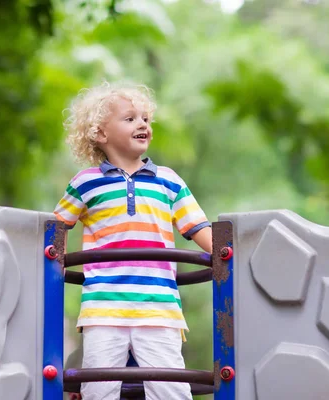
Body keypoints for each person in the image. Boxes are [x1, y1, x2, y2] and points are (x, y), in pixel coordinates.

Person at [54, 81, 212, 400]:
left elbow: (198, 228)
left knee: (170, 388)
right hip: (103, 308)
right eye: (129, 118)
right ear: (101, 134)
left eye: (145, 118)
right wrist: (47, 262)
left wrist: (229, 254)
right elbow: (55, 229)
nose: (142, 124)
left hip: (160, 307)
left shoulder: (168, 181)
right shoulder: (86, 183)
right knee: (99, 388)